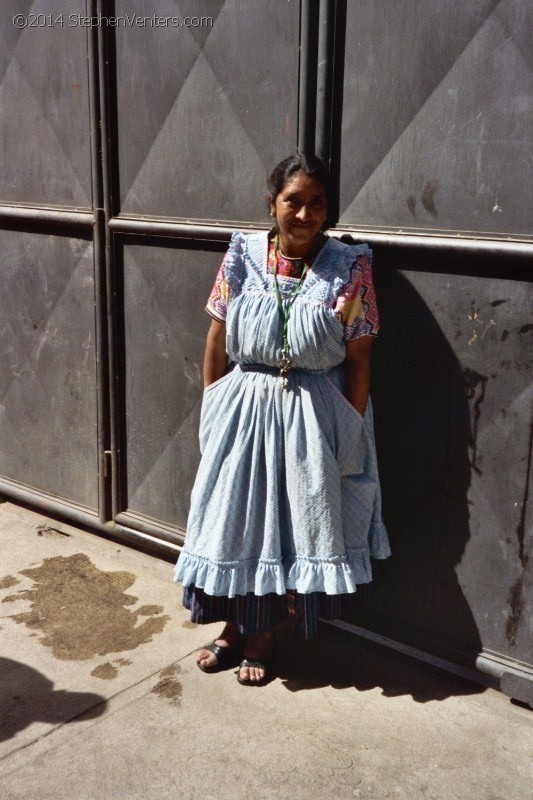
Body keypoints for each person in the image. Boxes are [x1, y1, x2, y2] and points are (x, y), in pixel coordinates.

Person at [174, 153, 390, 685]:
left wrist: (351, 424)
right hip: (244, 409)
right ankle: (230, 630)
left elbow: (361, 355)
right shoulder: (242, 257)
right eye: (293, 200)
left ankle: (263, 636)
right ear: (272, 203)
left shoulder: (350, 265)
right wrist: (214, 403)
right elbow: (216, 338)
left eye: (317, 202)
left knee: (290, 527)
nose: (304, 213)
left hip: (313, 416)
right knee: (233, 520)